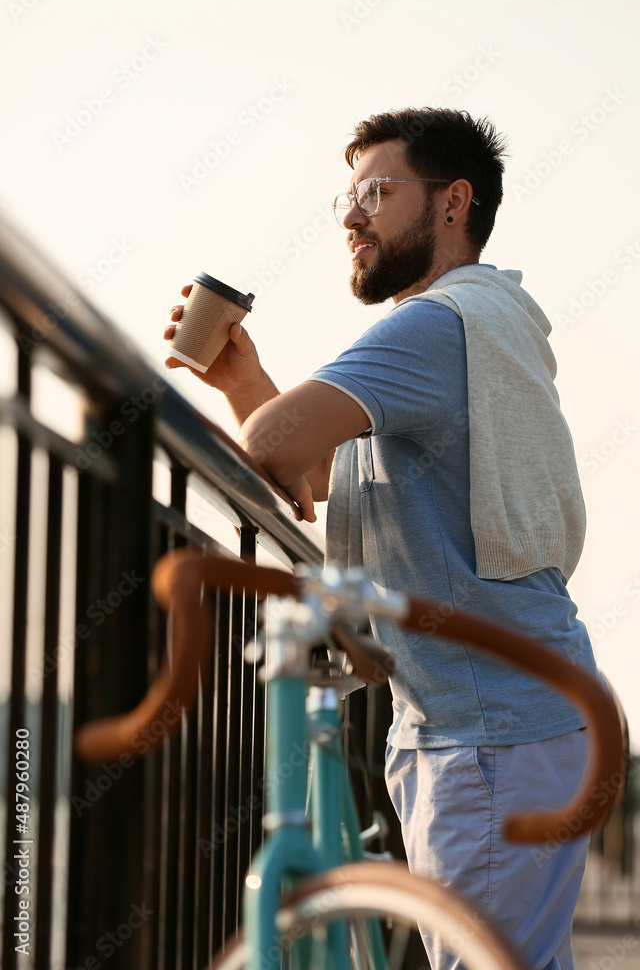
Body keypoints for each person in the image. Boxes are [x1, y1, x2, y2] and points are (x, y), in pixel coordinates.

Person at [164, 107, 600, 970]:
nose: (352, 218)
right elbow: (325, 481)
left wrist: (259, 413)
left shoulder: (436, 327)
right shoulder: (481, 325)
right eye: (345, 199)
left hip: (486, 734)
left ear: (452, 202)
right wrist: (246, 380)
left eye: (376, 191)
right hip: (494, 720)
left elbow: (271, 451)